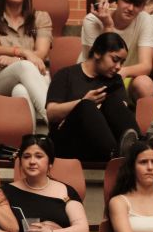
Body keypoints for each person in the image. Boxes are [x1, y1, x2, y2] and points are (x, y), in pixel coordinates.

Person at [47, 30, 138, 162]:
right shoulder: (65, 74)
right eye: (115, 60)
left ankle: (139, 148)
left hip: (100, 145)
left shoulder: (115, 80)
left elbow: (121, 111)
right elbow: (51, 113)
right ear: (98, 53)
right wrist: (83, 101)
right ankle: (116, 155)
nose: (119, 67)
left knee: (113, 101)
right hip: (67, 143)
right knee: (86, 106)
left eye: (122, 62)